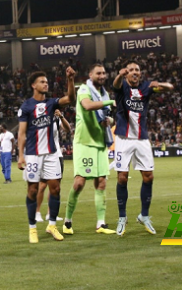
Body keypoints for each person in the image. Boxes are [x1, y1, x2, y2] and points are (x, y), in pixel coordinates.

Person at [112, 60, 174, 236]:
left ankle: (144, 216)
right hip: (123, 138)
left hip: (141, 138)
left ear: (140, 73)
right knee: (122, 178)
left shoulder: (147, 87)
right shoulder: (121, 86)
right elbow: (115, 84)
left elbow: (170, 87)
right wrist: (119, 74)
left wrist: (159, 84)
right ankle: (122, 217)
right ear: (126, 73)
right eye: (130, 70)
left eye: (136, 70)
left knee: (148, 176)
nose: (134, 72)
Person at [18, 66, 75, 243]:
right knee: (33, 190)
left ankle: (51, 225)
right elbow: (21, 133)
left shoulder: (52, 103)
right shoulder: (26, 106)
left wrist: (70, 80)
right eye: (42, 82)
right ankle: (32, 228)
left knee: (55, 188)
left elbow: (71, 99)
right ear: (34, 85)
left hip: (51, 154)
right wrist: (20, 155)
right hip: (33, 154)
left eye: (47, 82)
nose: (46, 84)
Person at [63, 63, 116, 235]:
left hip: (100, 142)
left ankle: (101, 223)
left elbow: (107, 116)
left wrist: (110, 121)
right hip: (84, 142)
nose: (102, 76)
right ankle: (67, 222)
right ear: (91, 75)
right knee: (79, 183)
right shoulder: (84, 89)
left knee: (101, 182)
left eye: (103, 73)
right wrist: (111, 101)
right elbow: (87, 106)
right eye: (98, 73)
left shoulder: (104, 93)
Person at [36, 109, 70, 223]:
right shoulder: (40, 119)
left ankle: (50, 214)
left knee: (55, 186)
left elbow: (67, 129)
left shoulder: (55, 118)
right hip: (43, 155)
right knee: (42, 186)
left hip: (57, 155)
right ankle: (37, 212)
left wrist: (61, 116)